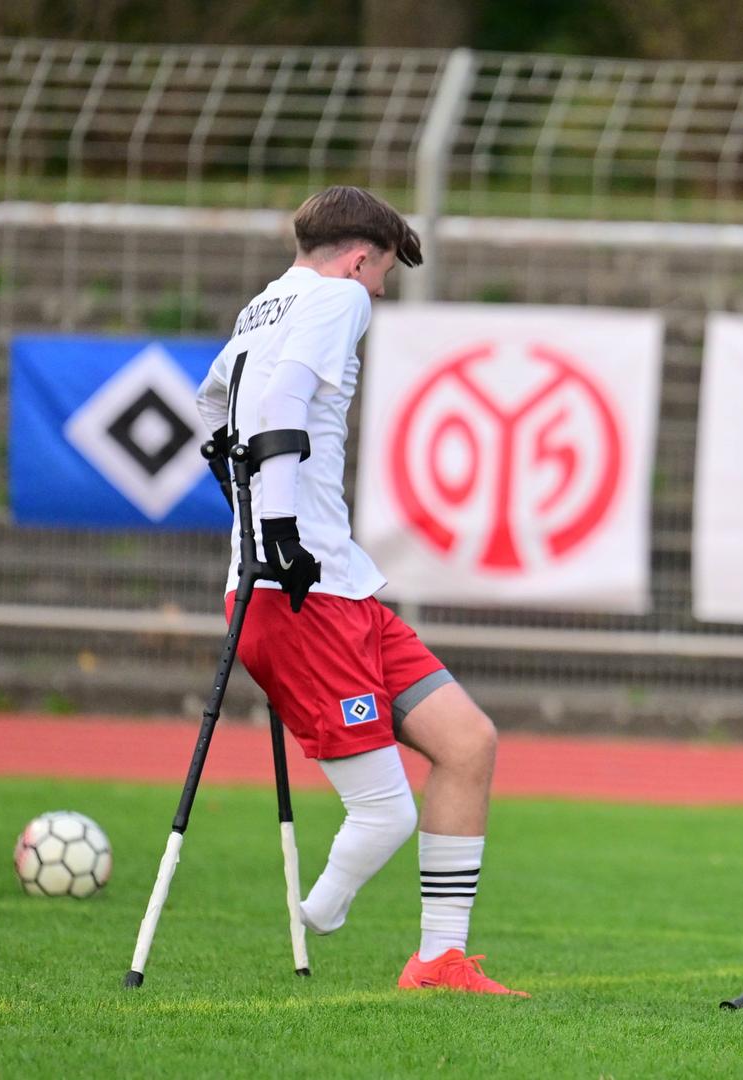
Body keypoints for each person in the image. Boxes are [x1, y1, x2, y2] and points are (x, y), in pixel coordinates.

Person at [194, 186, 522, 996]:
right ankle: (320, 911)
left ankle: (441, 961)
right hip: (300, 593)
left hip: (339, 586)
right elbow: (271, 407)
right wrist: (275, 532)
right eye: (381, 274)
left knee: (468, 742)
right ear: (358, 257)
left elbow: (212, 411)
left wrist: (258, 517)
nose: (379, 291)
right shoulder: (340, 298)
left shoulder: (263, 305)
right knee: (385, 813)